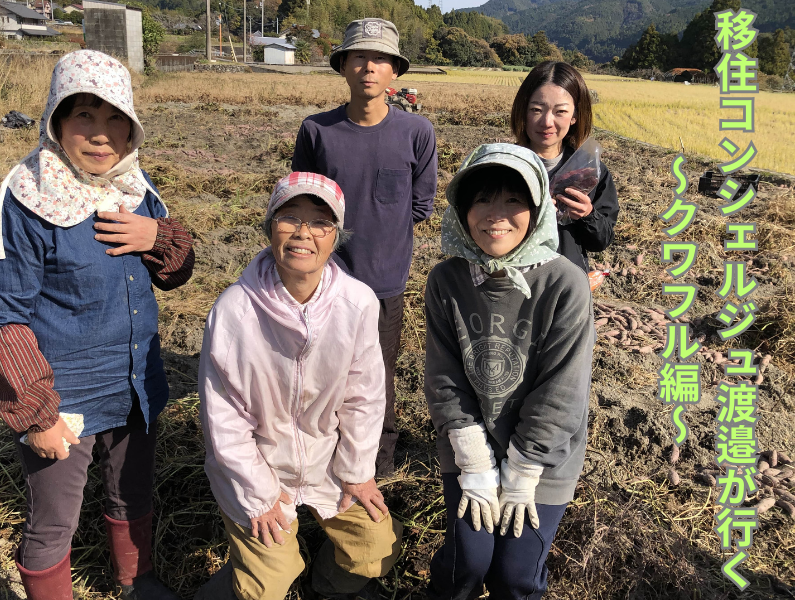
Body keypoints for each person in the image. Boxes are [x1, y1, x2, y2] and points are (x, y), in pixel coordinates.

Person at [0, 50, 194, 600]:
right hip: (62, 392)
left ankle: (136, 580)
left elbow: (177, 273)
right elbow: (3, 319)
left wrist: (160, 238)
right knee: (53, 520)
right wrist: (38, 412)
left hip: (137, 381)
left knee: (132, 492)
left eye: (116, 119)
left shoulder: (136, 189)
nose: (102, 136)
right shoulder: (24, 201)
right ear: (56, 120)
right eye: (84, 118)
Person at [196, 173, 403, 600]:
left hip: (327, 463)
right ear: (271, 226)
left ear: (335, 237)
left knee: (378, 547)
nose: (303, 233)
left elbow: (364, 396)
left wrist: (358, 472)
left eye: (320, 223)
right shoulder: (235, 310)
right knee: (267, 585)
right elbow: (223, 418)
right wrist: (259, 496)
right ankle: (233, 582)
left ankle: (323, 586)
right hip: (259, 467)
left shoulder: (357, 303)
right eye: (289, 217)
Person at [424, 144, 594, 600]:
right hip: (468, 445)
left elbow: (562, 389)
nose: (495, 216)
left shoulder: (563, 282)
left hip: (542, 455)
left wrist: (522, 470)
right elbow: (444, 377)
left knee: (515, 577)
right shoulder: (447, 279)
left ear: (538, 210)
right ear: (463, 209)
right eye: (482, 200)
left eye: (514, 201)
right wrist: (474, 461)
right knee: (469, 563)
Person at [292, 18, 438, 478]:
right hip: (322, 283)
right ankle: (317, 464)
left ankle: (378, 466)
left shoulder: (416, 133)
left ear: (395, 70)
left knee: (378, 381)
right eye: (359, 57)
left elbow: (420, 204)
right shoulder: (317, 131)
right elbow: (300, 204)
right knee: (318, 375)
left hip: (383, 285)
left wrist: (382, 231)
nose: (369, 67)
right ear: (343, 66)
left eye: (380, 59)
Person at [510, 60, 619, 274]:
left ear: (575, 117)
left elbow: (601, 241)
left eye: (560, 111)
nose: (547, 121)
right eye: (536, 109)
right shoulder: (504, 166)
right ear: (523, 111)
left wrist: (588, 215)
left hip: (567, 290)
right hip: (512, 285)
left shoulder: (590, 172)